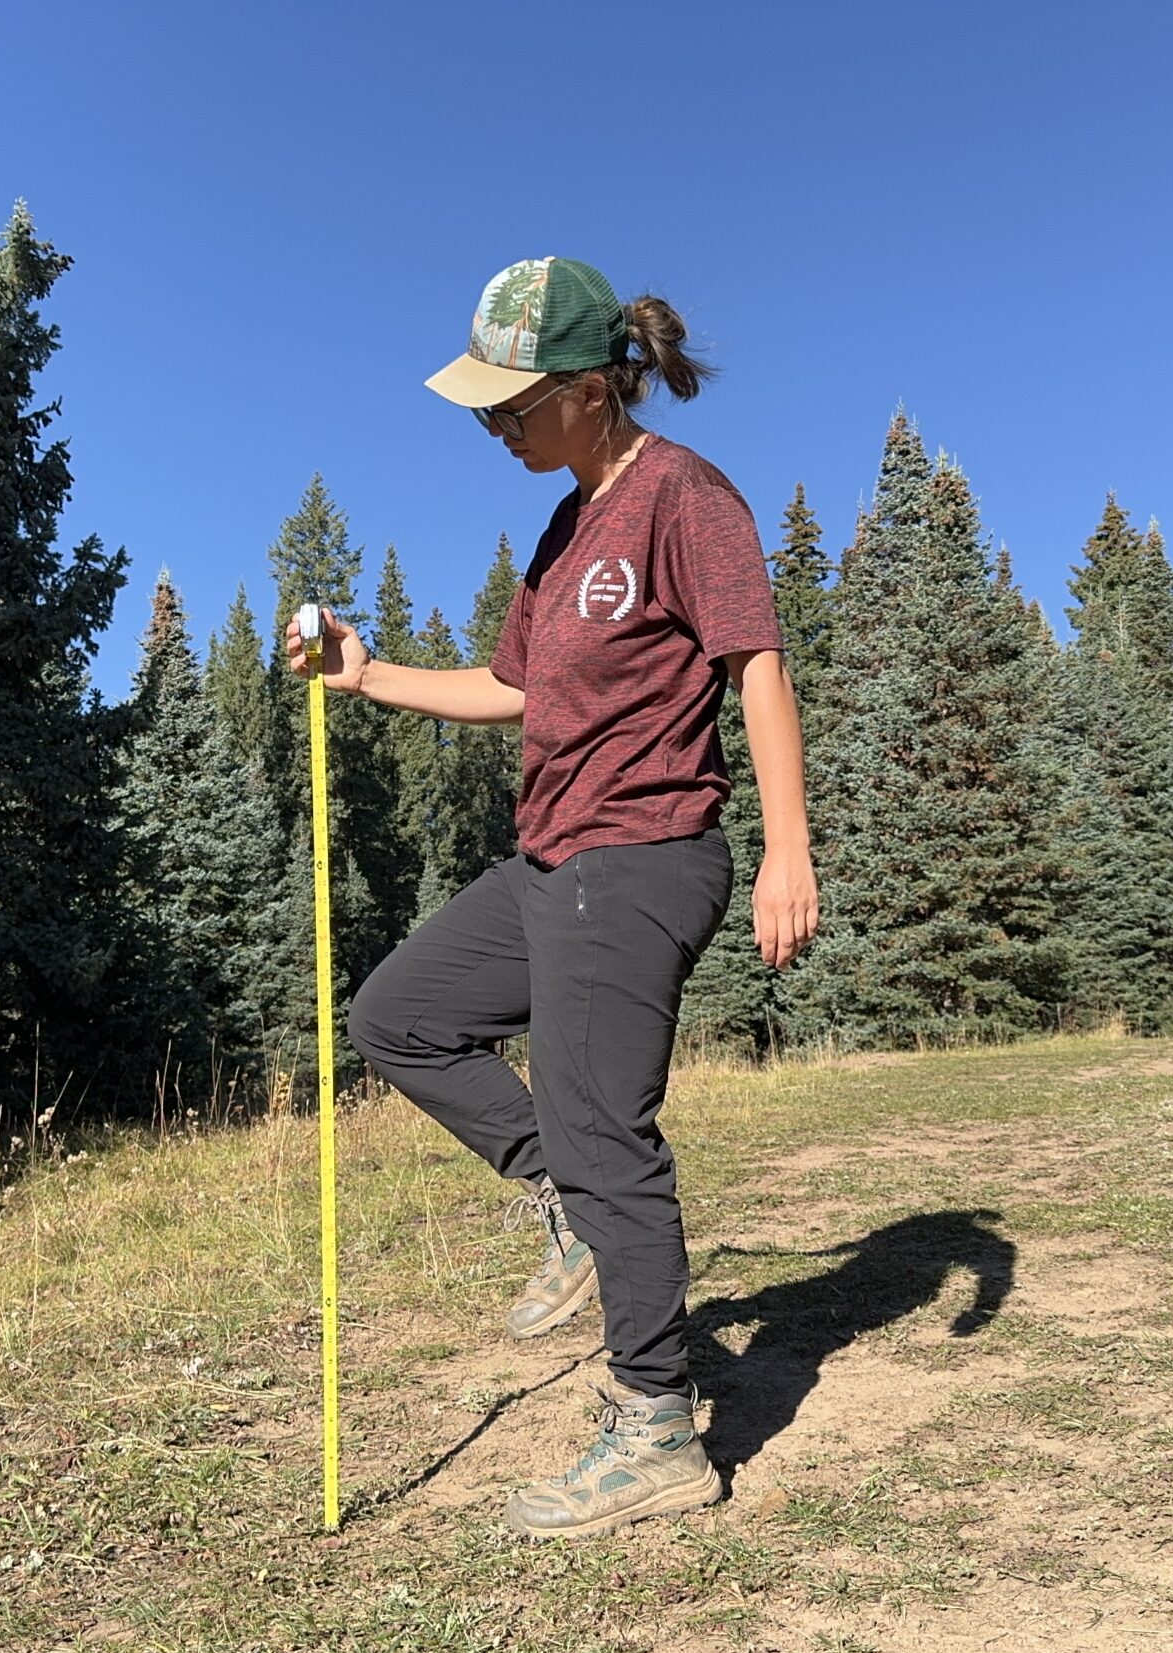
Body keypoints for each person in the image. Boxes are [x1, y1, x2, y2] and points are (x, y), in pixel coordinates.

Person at [282, 256, 817, 1539]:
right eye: (484, 408)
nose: (493, 428)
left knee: (604, 1129)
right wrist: (367, 676)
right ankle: (568, 1205)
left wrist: (787, 849)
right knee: (400, 1017)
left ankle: (654, 1429)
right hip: (548, 857)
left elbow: (756, 666)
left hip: (639, 857)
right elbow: (517, 690)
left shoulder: (684, 498)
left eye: (510, 406)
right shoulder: (564, 532)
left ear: (590, 388)